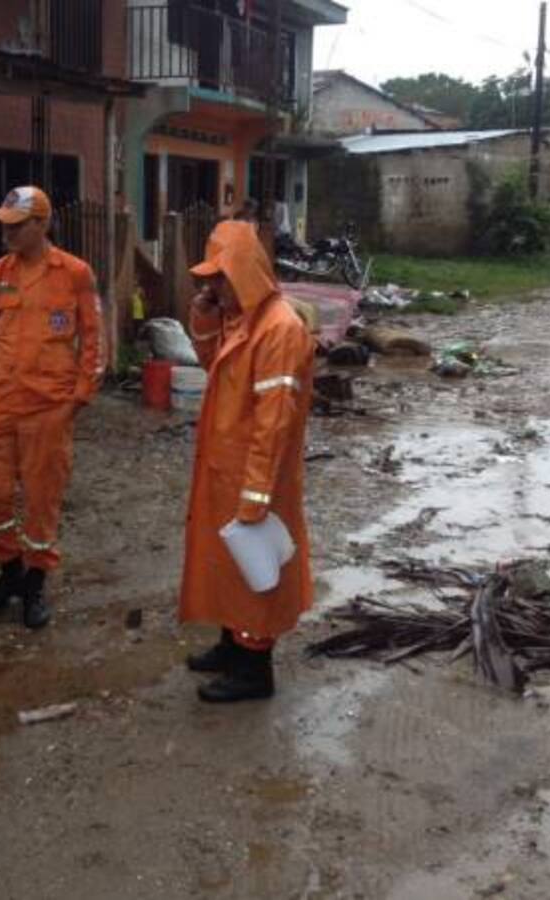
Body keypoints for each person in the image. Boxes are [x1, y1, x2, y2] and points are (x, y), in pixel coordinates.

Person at [180, 220, 315, 703]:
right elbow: (211, 366)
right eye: (209, 279)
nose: (211, 286)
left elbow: (273, 424)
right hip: (224, 467)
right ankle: (230, 644)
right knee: (226, 563)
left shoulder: (279, 329)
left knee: (256, 571)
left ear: (244, 272)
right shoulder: (241, 320)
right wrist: (203, 316)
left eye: (219, 278)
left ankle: (254, 669)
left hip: (255, 475)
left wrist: (256, 496)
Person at [0, 186, 102, 630]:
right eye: (3, 224)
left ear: (41, 225)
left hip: (49, 404)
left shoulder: (75, 274)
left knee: (43, 497)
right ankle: (9, 571)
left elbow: (95, 339)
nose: (6, 232)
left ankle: (35, 583)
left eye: (16, 225)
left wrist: (80, 395)